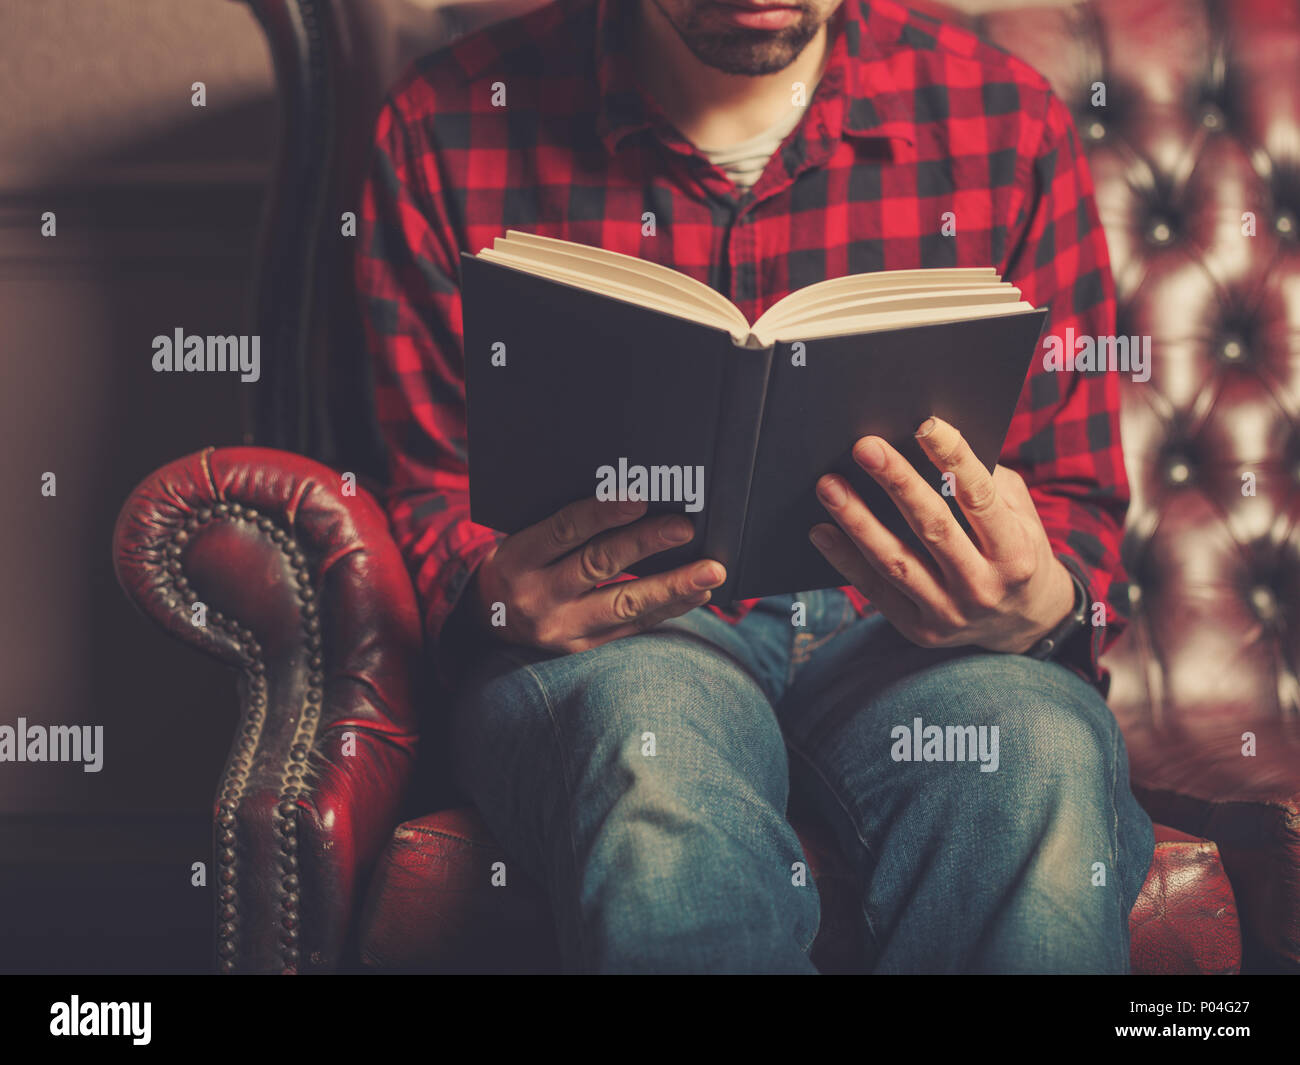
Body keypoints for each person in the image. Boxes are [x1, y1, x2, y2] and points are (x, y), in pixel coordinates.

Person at [355, 0, 1155, 973]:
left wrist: (1041, 601)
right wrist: (488, 596)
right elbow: (431, 490)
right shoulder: (445, 121)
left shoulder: (1006, 116)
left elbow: (1073, 496)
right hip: (619, 634)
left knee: (1032, 754)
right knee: (648, 766)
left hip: (911, 637)